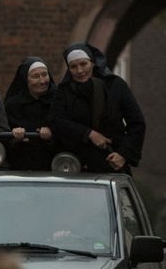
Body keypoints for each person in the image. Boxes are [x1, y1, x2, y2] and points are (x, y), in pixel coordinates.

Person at [50, 42, 145, 173]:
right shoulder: (64, 91)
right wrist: (89, 134)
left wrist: (123, 154)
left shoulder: (115, 86)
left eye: (83, 64)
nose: (79, 71)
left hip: (111, 161)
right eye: (73, 67)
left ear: (93, 63)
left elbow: (137, 123)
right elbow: (56, 120)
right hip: (76, 166)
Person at [4, 56, 58, 171]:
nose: (42, 81)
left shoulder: (59, 99)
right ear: (25, 80)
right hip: (20, 166)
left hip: (53, 166)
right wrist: (15, 138)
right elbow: (4, 138)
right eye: (36, 76)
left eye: (45, 74)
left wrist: (50, 136)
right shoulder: (13, 104)